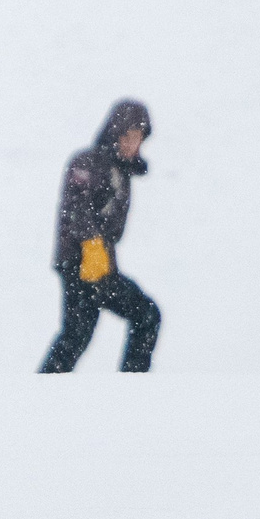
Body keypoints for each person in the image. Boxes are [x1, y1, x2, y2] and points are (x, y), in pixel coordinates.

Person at [41, 100, 161, 373]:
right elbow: (75, 207)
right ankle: (39, 400)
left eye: (139, 139)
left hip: (101, 265)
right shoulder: (87, 162)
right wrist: (92, 244)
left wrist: (101, 252)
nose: (134, 145)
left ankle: (130, 390)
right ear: (115, 133)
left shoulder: (121, 172)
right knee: (83, 333)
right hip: (78, 264)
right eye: (128, 137)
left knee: (139, 317)